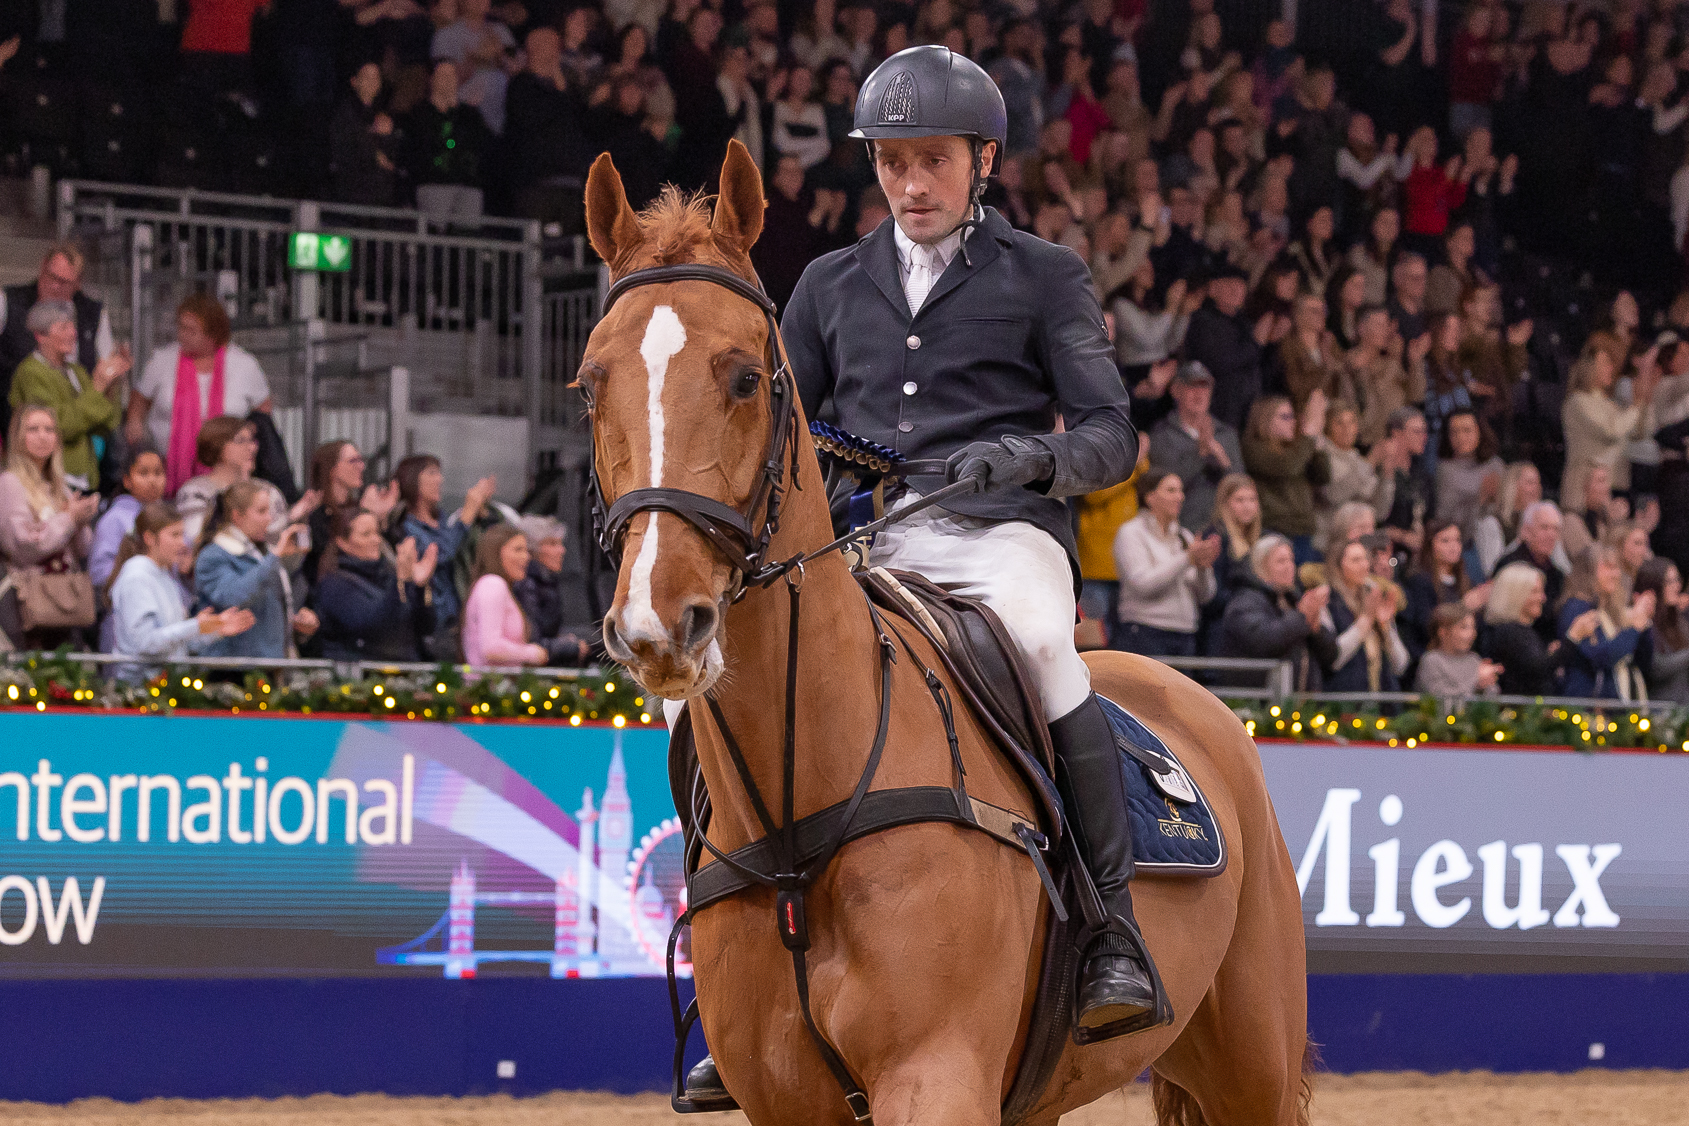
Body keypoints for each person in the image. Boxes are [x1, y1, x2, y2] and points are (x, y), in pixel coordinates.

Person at [775, 44, 1153, 1055]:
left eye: (931, 160)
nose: (910, 183)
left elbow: (1111, 435)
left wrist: (1028, 456)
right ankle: (744, 950)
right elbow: (780, 431)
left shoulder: (1044, 275)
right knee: (741, 677)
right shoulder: (825, 284)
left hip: (1000, 537)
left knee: (1042, 645)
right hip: (864, 539)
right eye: (893, 162)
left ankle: (1111, 926)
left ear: (983, 160)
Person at [128, 294, 273, 494]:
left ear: (213, 334)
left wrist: (243, 439)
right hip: (165, 469)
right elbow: (138, 402)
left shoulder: (244, 364)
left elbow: (263, 412)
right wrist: (136, 430)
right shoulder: (162, 360)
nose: (182, 335)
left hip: (227, 473)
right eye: (181, 327)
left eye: (191, 330)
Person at [106, 501, 254, 679]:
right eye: (174, 535)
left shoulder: (164, 575)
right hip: (141, 692)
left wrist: (214, 630)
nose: (182, 543)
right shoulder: (136, 578)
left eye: (182, 534)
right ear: (150, 538)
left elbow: (175, 644)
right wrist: (196, 625)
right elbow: (145, 644)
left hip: (168, 686)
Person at [0, 405, 99, 649]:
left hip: (65, 599)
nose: (43, 436)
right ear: (18, 437)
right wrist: (69, 519)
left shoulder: (60, 486)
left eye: (49, 429)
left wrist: (82, 519)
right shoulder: (10, 482)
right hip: (26, 602)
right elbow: (23, 545)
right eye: (33, 429)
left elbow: (83, 550)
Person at [10, 301, 129, 492]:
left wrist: (110, 384)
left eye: (72, 326)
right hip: (49, 478)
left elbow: (105, 424)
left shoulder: (76, 371)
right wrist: (97, 386)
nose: (73, 333)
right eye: (64, 327)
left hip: (85, 477)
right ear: (40, 335)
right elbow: (59, 426)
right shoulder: (31, 373)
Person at [0, 245, 115, 440]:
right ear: (42, 267)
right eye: (51, 277)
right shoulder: (8, 301)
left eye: (64, 282)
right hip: (15, 426)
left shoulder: (93, 314)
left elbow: (107, 367)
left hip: (78, 430)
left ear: (77, 283)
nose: (54, 286)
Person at [192, 480, 315, 660]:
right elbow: (233, 597)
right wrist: (275, 556)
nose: (269, 518)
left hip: (268, 664)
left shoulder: (261, 554)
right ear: (237, 516)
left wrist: (297, 621)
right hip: (229, 667)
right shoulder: (213, 555)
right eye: (261, 511)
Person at [391, 454, 496, 655]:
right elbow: (441, 554)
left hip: (458, 618)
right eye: (431, 473)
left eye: (439, 473)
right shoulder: (406, 526)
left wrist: (480, 513)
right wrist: (467, 515)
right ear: (412, 479)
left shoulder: (442, 520)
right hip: (433, 623)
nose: (440, 480)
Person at [1111, 470, 1218, 657]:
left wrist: (1203, 568)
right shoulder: (1131, 533)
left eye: (1181, 490)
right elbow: (1142, 584)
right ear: (1150, 497)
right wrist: (1187, 559)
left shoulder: (1184, 536)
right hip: (1145, 631)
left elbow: (1205, 596)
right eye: (1171, 490)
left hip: (1185, 632)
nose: (1180, 497)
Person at [313, 508, 437, 662]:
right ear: (342, 542)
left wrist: (420, 586)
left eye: (377, 533)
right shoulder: (334, 585)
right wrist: (402, 582)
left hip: (404, 675)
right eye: (366, 534)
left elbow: (426, 627)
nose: (376, 540)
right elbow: (376, 625)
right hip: (361, 680)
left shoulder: (389, 576)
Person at [175, 416, 318, 547]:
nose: (253, 447)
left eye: (252, 440)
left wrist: (297, 518)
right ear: (217, 446)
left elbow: (294, 549)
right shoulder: (195, 491)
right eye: (241, 440)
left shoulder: (268, 490)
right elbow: (196, 539)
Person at [1217, 533, 1335, 692]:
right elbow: (1265, 641)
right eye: (1281, 561)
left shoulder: (1293, 600)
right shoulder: (1244, 602)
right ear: (1260, 567)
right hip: (1259, 705)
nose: (1289, 566)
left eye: (1291, 560)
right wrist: (1302, 616)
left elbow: (1331, 655)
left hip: (1302, 705)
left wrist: (1316, 630)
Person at [1562, 331, 1656, 511]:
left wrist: (1645, 401)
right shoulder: (1578, 402)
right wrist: (1635, 407)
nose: (1611, 369)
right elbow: (1611, 430)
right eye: (1606, 363)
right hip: (1584, 491)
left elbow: (1640, 433)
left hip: (1615, 485)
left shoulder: (1609, 405)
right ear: (1590, 366)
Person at [1147, 362, 1241, 531]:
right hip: (1181, 530)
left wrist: (1224, 461)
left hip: (1225, 529)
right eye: (1191, 386)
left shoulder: (1226, 434)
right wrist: (1200, 454)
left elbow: (1242, 486)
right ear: (1175, 391)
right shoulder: (1161, 436)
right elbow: (1164, 485)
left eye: (1204, 387)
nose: (1199, 393)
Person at [1242, 392, 1331, 563]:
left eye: (1293, 416)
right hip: (1276, 529)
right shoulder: (1253, 448)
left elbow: (1322, 476)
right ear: (1265, 420)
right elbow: (1287, 467)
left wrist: (1317, 441)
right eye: (1285, 417)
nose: (1293, 422)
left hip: (1303, 529)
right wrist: (1309, 436)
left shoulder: (1296, 449)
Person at [1557, 544, 1654, 700]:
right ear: (1588, 571)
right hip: (1588, 706)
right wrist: (1634, 629)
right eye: (1608, 567)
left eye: (1617, 568)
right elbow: (1600, 657)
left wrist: (1644, 627)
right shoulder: (1577, 608)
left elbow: (1643, 662)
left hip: (1622, 701)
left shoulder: (1612, 610)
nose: (1615, 574)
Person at [403, 59, 494, 218]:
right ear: (432, 79)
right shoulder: (420, 112)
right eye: (442, 75)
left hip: (468, 185)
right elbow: (425, 144)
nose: (448, 80)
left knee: (466, 234)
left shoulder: (469, 114)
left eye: (452, 75)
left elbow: (480, 143)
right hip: (434, 184)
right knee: (436, 234)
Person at [1319, 537, 1410, 692]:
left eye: (1366, 559)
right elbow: (1334, 659)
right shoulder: (1326, 602)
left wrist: (1386, 627)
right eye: (1356, 560)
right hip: (1342, 704)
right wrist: (1365, 621)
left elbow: (1401, 665)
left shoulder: (1375, 598)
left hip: (1381, 706)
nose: (1364, 565)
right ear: (1338, 566)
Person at [304, 441, 399, 585]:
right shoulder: (316, 515)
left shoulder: (357, 507)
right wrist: (368, 513)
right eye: (353, 461)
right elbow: (336, 557)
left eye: (361, 460)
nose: (362, 466)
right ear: (333, 469)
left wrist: (382, 519)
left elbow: (383, 559)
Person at [1182, 262, 1263, 432]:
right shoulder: (1202, 321)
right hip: (1220, 407)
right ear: (1212, 288)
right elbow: (1218, 362)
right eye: (1229, 285)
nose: (1236, 290)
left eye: (1240, 286)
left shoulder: (1244, 323)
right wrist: (1256, 343)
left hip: (1247, 407)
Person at [1401, 519, 1492, 661]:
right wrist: (1463, 607)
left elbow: (1478, 629)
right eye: (1445, 541)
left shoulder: (1467, 582)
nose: (1453, 547)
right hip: (1433, 657)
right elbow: (1425, 626)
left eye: (1457, 541)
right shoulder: (1419, 582)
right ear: (1430, 545)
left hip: (1464, 656)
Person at [512, 515, 596, 665]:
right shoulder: (526, 585)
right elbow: (532, 641)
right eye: (552, 544)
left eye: (560, 543)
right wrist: (573, 647)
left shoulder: (547, 581)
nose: (562, 550)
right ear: (532, 549)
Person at [462, 523, 549, 668]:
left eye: (526, 550)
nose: (526, 557)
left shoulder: (495, 585)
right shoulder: (493, 584)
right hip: (489, 687)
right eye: (518, 549)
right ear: (496, 553)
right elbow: (490, 648)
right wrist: (533, 653)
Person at [1483, 562, 1575, 697]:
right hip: (1519, 714)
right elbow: (1538, 670)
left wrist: (1549, 654)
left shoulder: (1522, 631)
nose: (1543, 598)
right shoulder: (1509, 632)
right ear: (1516, 595)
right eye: (1535, 591)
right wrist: (1573, 638)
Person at [1315, 404, 1393, 554]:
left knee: (1387, 544)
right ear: (1327, 427)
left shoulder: (1359, 461)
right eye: (1339, 423)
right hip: (1328, 542)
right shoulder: (1321, 457)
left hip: (1358, 542)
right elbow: (1334, 495)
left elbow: (1380, 512)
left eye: (1351, 422)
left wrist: (1387, 476)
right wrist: (1371, 461)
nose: (1347, 428)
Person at [1199, 473, 1261, 653]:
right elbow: (1212, 596)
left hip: (1250, 629)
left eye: (1252, 499)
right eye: (1239, 500)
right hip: (1220, 631)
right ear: (1224, 503)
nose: (1247, 506)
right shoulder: (1215, 537)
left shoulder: (1261, 539)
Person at [1494, 502, 1570, 646]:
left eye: (1555, 529)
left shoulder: (1557, 573)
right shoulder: (1510, 566)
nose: (1551, 535)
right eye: (1544, 527)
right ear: (1526, 531)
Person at [91, 450, 169, 590]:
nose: (152, 480)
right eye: (143, 473)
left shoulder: (169, 517)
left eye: (158, 473)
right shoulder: (114, 519)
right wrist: (137, 578)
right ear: (127, 480)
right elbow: (99, 572)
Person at [329, 61, 399, 207]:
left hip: (381, 195)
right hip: (352, 194)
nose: (372, 82)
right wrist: (375, 156)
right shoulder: (345, 113)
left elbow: (393, 156)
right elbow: (345, 148)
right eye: (367, 77)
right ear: (354, 81)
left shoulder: (384, 114)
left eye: (376, 77)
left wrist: (387, 137)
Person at [1434, 409, 1505, 538]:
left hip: (1494, 533)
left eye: (1467, 430)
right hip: (1460, 539)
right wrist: (1480, 500)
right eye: (1454, 432)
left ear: (1479, 432)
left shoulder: (1495, 466)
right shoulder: (1445, 470)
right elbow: (1444, 519)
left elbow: (1503, 511)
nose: (1460, 437)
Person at [1414, 603, 1502, 698]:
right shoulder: (1432, 660)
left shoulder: (1474, 659)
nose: (1472, 634)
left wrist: (1488, 682)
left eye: (1473, 628)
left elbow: (1492, 697)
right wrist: (1476, 683)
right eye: (1464, 627)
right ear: (1443, 632)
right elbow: (1440, 699)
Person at [1635, 556, 1689, 702]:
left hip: (1682, 711)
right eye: (1669, 582)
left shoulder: (1678, 620)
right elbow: (1655, 668)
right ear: (1654, 584)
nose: (1676, 586)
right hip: (1658, 712)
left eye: (1677, 580)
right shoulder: (1644, 622)